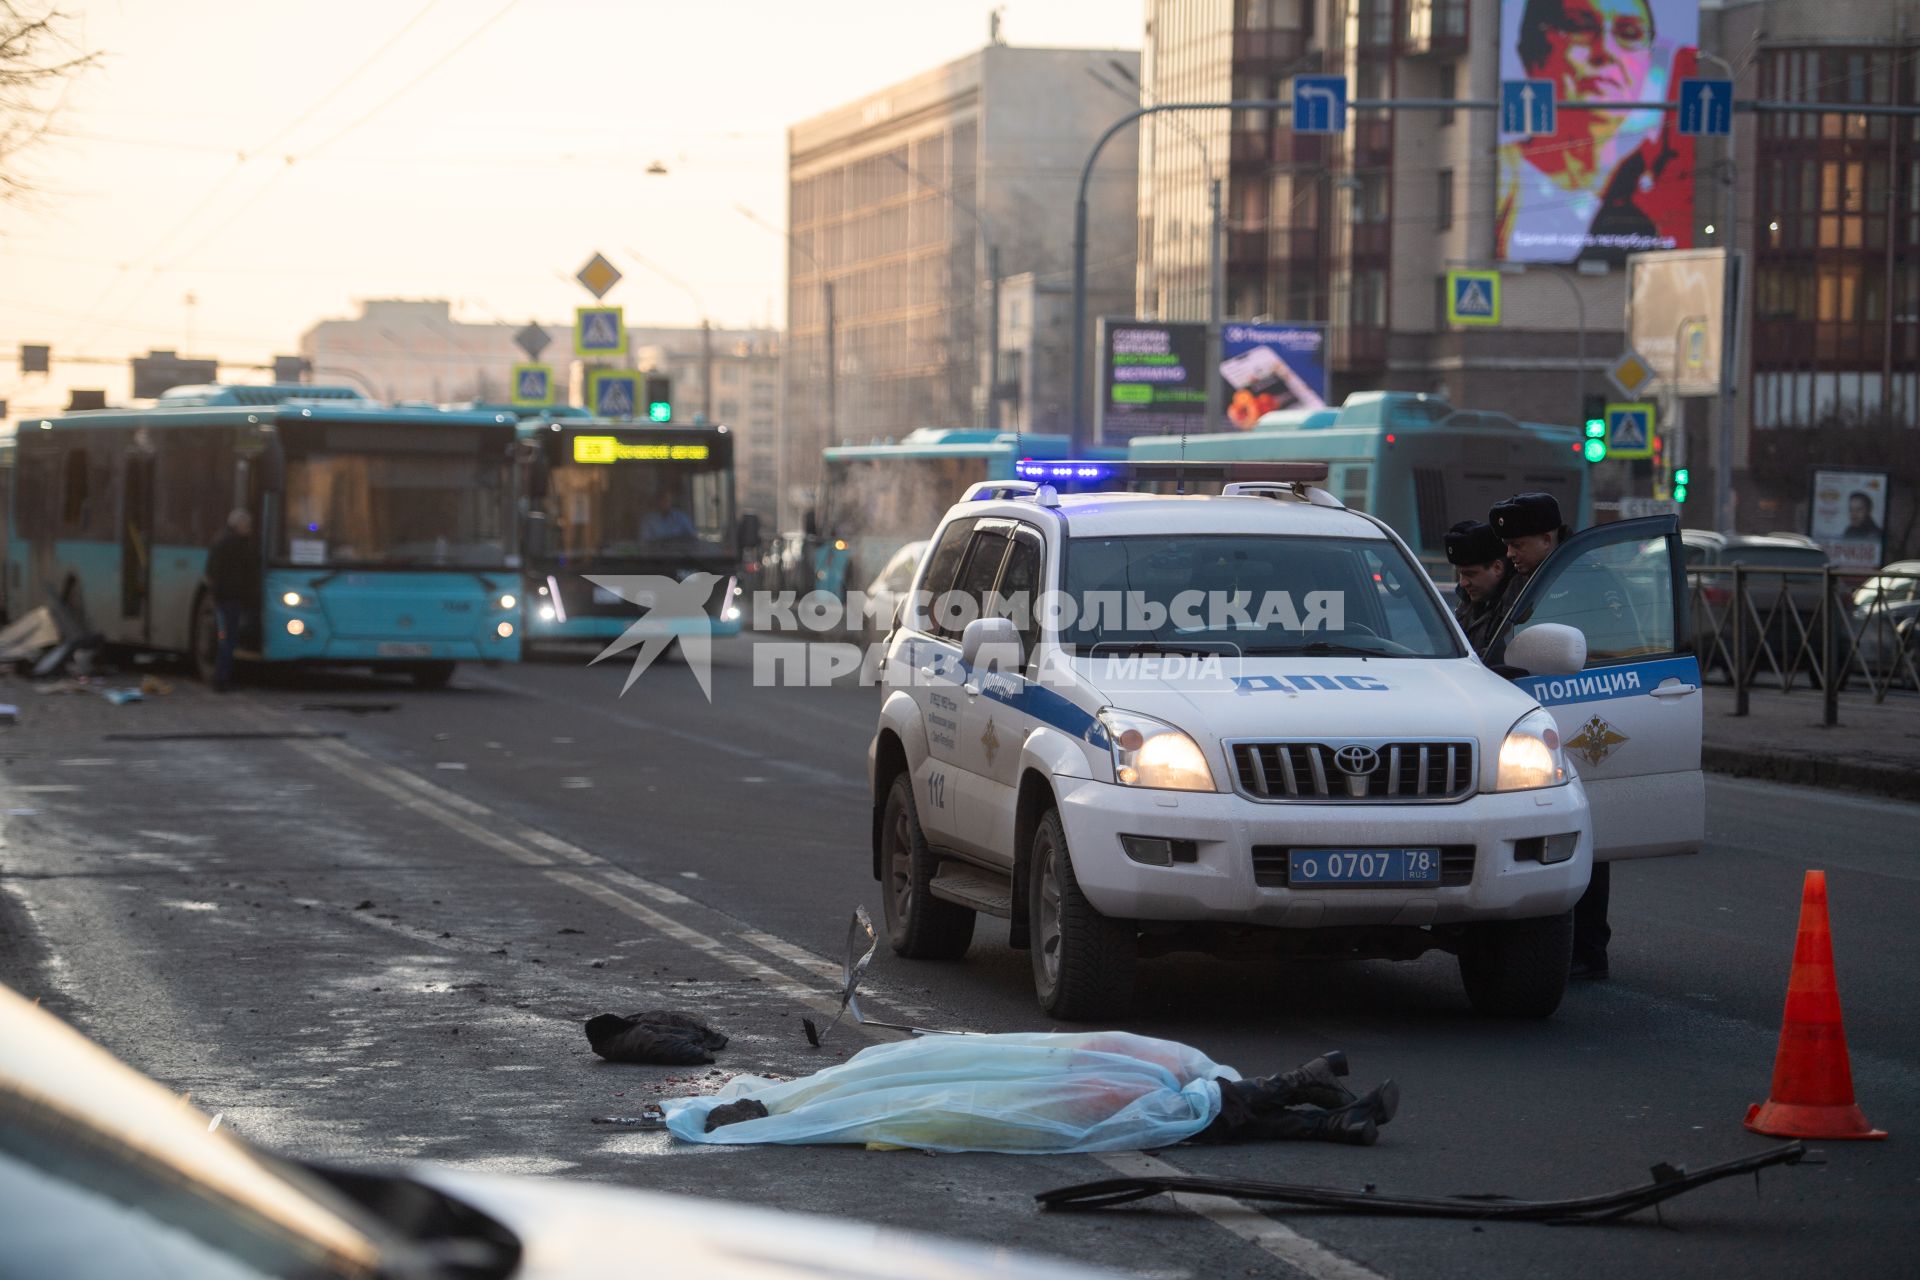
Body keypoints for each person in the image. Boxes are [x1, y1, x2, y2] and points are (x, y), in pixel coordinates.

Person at [657, 1032, 1399, 1152]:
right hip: (1025, 1096)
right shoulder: (824, 1110)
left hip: (1026, 1081)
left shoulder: (817, 1096)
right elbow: (929, 1109)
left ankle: (1306, 1101)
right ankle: (1311, 1103)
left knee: (1137, 1082)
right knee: (1138, 1101)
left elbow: (927, 1084)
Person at [1489, 490, 1610, 981]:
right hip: (1537, 721)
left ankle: (1588, 949)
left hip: (1584, 714)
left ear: (1548, 537)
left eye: (1519, 543)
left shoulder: (1582, 583)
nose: (1511, 554)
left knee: (1588, 839)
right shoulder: (1530, 578)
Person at [1496, 0, 1693, 264]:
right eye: (1579, 27)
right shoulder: (1502, 178)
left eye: (1630, 34)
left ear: (1649, 58)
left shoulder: (1658, 182)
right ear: (1532, 52)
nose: (1605, 51)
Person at [203, 508, 259, 693]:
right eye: (247, 525)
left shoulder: (220, 542)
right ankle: (222, 679)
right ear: (238, 526)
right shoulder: (238, 545)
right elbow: (249, 571)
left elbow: (210, 572)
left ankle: (221, 678)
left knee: (225, 638)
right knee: (228, 639)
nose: (250, 528)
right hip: (231, 598)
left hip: (222, 597)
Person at [1444, 519, 1517, 658]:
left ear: (1497, 568)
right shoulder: (1467, 603)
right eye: (1460, 573)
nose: (1463, 583)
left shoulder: (1517, 606)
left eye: (1470, 574)